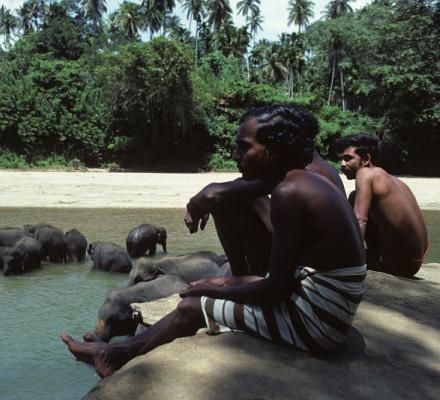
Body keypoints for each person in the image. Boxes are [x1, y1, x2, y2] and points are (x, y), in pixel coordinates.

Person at [60, 105, 366, 378]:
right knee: (215, 287)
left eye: (244, 148)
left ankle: (115, 356)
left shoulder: (289, 193)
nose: (235, 156)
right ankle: (118, 351)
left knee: (193, 307)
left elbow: (277, 288)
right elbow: (284, 277)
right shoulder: (302, 181)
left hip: (318, 323)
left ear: (272, 151)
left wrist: (211, 288)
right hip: (327, 304)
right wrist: (223, 283)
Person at [184, 103, 346, 277]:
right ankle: (240, 277)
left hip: (315, 269)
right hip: (324, 262)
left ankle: (240, 278)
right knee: (237, 191)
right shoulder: (312, 167)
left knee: (230, 196)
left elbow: (215, 194)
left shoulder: (306, 173)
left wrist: (197, 202)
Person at [337, 133, 428, 277]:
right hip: (414, 260)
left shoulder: (365, 174)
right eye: (342, 158)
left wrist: (351, 264)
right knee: (355, 196)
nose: (342, 164)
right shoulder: (390, 179)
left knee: (330, 257)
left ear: (366, 159)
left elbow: (360, 220)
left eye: (348, 158)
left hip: (399, 263)